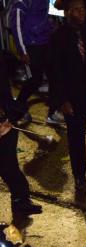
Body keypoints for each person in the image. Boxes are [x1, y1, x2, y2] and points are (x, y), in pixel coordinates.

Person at [48, 0, 86, 192]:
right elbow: (55, 72)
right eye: (77, 10)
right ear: (68, 12)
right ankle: (79, 176)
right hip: (72, 98)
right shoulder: (59, 37)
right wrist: (62, 101)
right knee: (76, 138)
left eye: (83, 9)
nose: (81, 13)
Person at [9, 0, 64, 125]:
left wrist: (51, 29)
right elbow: (16, 26)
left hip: (45, 43)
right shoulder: (20, 2)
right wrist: (22, 51)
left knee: (54, 76)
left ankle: (53, 112)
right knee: (34, 80)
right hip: (31, 46)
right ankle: (18, 108)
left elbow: (44, 17)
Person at [0, 53, 42, 216]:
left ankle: (21, 201)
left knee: (9, 166)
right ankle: (21, 201)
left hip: (6, 120)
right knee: (8, 167)